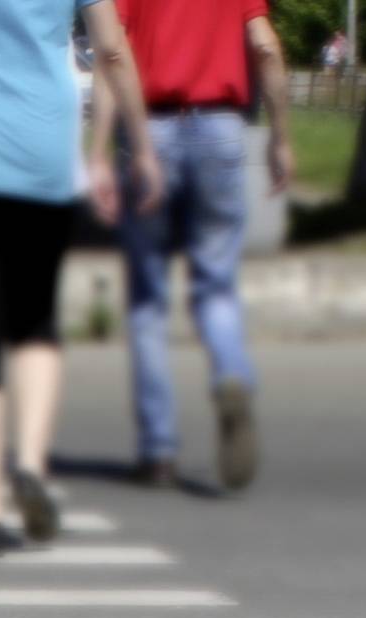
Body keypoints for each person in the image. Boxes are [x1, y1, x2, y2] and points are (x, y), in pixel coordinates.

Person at [0, 0, 158, 550]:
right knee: (35, 321)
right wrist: (140, 146)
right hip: (45, 153)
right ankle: (33, 466)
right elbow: (111, 48)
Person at [88, 0, 290, 494]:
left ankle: (158, 451)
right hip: (220, 130)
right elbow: (264, 45)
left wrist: (96, 151)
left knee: (148, 299)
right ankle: (230, 374)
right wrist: (280, 137)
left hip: (150, 131)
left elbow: (114, 53)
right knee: (216, 284)